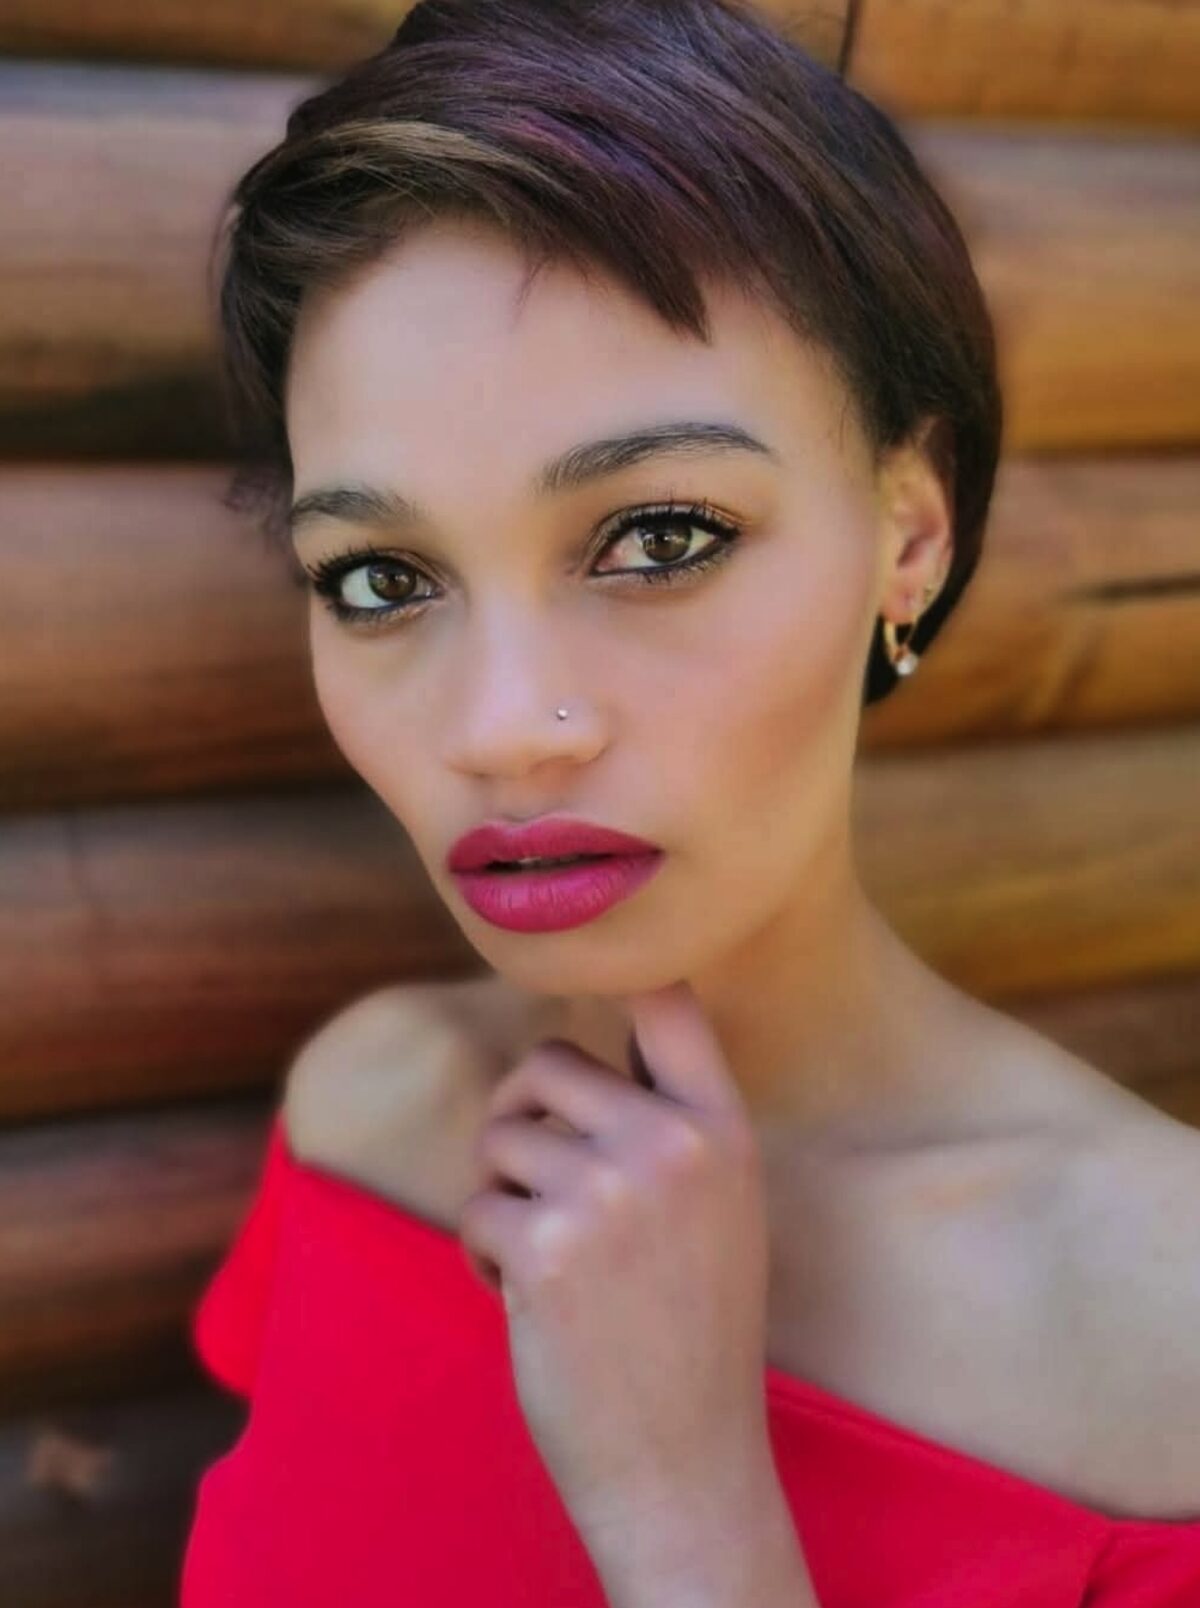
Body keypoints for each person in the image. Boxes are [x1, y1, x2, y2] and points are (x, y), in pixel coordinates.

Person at [181, 2, 1200, 1603]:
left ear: (910, 533)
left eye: (659, 538)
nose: (504, 731)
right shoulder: (370, 1108)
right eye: (379, 578)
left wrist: (687, 1511)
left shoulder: (1164, 1330)